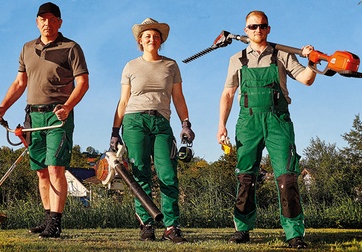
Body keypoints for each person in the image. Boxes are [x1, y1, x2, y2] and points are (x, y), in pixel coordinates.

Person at [216, 10, 316, 249]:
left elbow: (307, 79)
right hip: (248, 122)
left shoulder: (282, 55)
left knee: (287, 177)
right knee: (246, 176)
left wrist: (311, 60)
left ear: (269, 28)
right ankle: (242, 228)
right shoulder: (237, 59)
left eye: (262, 26)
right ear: (246, 29)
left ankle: (294, 233)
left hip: (278, 121)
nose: (257, 30)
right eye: (252, 27)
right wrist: (221, 125)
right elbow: (228, 94)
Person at [0, 2, 89, 238]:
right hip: (32, 116)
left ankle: (56, 223)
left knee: (56, 167)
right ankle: (47, 220)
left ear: (59, 23)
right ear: (37, 22)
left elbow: (83, 83)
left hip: (58, 115)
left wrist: (67, 106)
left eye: (52, 19)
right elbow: (19, 83)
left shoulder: (71, 48)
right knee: (41, 171)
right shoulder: (26, 48)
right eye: (42, 19)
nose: (47, 23)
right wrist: (3, 107)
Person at [109, 18, 194, 244]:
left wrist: (186, 123)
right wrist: (115, 131)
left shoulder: (171, 65)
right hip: (134, 121)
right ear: (140, 40)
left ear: (161, 40)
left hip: (161, 123)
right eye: (147, 36)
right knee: (141, 173)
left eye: (156, 36)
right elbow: (123, 100)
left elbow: (178, 97)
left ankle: (171, 226)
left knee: (167, 173)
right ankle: (146, 224)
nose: (152, 39)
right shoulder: (130, 66)